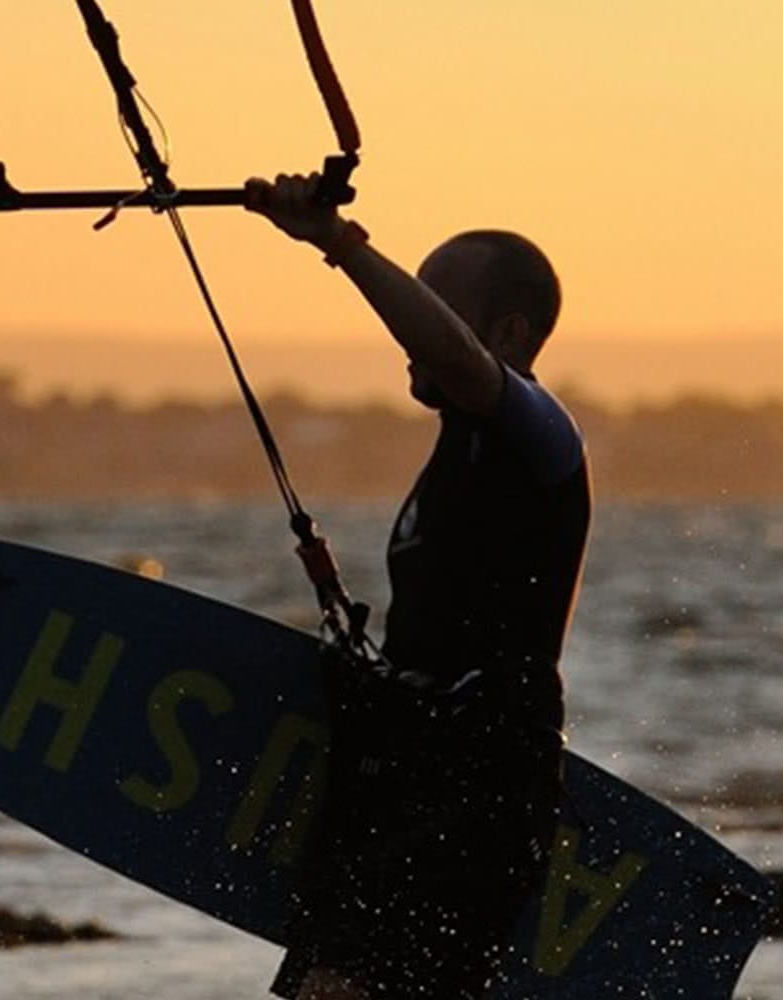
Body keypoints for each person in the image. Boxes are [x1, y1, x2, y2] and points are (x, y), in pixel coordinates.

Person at [244, 174, 591, 999]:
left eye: (437, 310)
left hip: (484, 778)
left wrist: (338, 243)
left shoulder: (541, 432)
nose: (410, 332)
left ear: (510, 334)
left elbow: (460, 360)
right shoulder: (458, 450)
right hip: (410, 766)